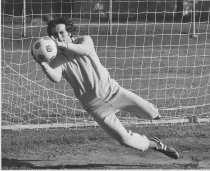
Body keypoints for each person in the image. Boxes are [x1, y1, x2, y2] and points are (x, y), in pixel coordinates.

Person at [32, 17, 179, 159]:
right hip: (95, 106)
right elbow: (56, 78)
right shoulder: (57, 58)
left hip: (114, 92)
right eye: (55, 34)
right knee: (125, 140)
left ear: (69, 32)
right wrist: (44, 65)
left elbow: (85, 50)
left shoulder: (84, 40)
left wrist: (65, 45)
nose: (59, 36)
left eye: (61, 32)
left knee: (152, 113)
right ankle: (156, 145)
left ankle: (153, 114)